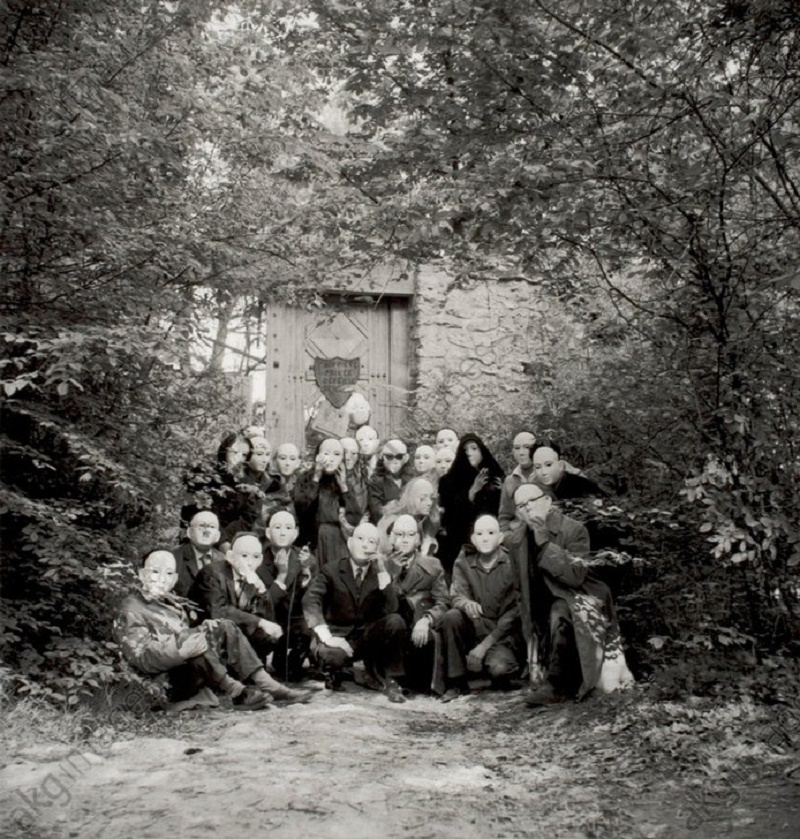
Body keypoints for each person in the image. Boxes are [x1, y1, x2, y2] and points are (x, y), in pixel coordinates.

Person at [114, 550, 309, 710]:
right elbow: (140, 658)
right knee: (192, 637)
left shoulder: (171, 604)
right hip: (160, 683)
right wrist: (180, 651)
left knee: (223, 625)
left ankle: (270, 686)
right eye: (155, 572)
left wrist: (200, 634)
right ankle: (238, 692)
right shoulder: (131, 608)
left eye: (168, 574)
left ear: (174, 579)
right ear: (142, 575)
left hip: (185, 671)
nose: (161, 579)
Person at [508, 484, 633, 707]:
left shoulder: (574, 529)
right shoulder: (516, 540)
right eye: (521, 506)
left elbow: (575, 576)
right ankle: (545, 672)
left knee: (560, 610)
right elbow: (520, 590)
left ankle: (557, 686)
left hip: (578, 596)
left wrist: (545, 543)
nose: (528, 509)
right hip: (541, 601)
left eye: (531, 502)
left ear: (547, 501)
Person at [302, 522, 407, 702]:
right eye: (360, 539)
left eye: (371, 541)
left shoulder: (379, 573)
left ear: (376, 548)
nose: (365, 545)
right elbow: (310, 600)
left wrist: (383, 571)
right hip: (338, 636)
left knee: (396, 620)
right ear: (350, 542)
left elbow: (392, 609)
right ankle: (336, 673)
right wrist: (327, 637)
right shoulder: (331, 570)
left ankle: (391, 679)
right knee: (332, 657)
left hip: (365, 638)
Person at [439, 515, 524, 701]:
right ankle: (456, 682)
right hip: (474, 627)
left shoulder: (512, 563)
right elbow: (456, 595)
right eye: (480, 533)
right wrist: (466, 603)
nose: (485, 538)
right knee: (452, 616)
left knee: (500, 668)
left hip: (502, 634)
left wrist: (485, 646)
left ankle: (494, 673)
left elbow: (517, 610)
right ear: (473, 539)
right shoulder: (464, 561)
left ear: (500, 538)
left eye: (491, 533)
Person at [381, 515, 449, 694]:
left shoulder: (432, 566)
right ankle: (393, 678)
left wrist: (427, 620)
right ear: (392, 538)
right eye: (400, 534)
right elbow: (381, 607)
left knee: (421, 677)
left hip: (420, 631)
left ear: (418, 539)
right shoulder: (381, 566)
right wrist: (393, 574)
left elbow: (443, 602)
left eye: (410, 534)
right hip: (393, 635)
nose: (404, 539)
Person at [259, 511, 318, 682]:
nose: (283, 532)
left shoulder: (305, 559)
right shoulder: (258, 558)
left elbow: (313, 598)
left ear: (296, 533)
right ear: (268, 532)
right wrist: (282, 575)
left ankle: (292, 662)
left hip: (294, 621)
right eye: (277, 527)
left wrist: (306, 572)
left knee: (308, 626)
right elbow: (263, 603)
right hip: (268, 620)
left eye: (288, 528)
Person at [437, 433, 505, 575]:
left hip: (493, 537)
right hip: (463, 541)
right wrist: (472, 492)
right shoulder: (449, 480)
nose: (469, 453)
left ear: (482, 450)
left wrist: (503, 491)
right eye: (465, 450)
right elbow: (449, 515)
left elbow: (505, 509)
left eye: (474, 448)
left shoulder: (495, 474)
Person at [294, 438, 364, 565]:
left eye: (336, 454)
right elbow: (301, 509)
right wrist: (316, 478)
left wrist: (344, 487)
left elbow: (355, 518)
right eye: (326, 453)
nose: (331, 458)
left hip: (337, 542)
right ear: (317, 456)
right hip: (311, 540)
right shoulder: (305, 479)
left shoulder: (345, 483)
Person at [172, 510, 225, 600]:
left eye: (212, 527)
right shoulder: (173, 557)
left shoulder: (225, 561)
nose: (206, 531)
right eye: (201, 526)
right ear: (189, 532)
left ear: (218, 536)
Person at [381, 476, 441, 556]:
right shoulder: (393, 521)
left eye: (431, 498)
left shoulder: (428, 521)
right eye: (423, 498)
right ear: (411, 498)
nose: (429, 503)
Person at [532, 443, 606, 500]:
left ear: (560, 466)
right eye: (538, 467)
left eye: (548, 465)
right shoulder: (539, 487)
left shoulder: (579, 486)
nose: (543, 472)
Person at [498, 431, 537, 532]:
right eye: (517, 448)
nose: (521, 452)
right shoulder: (510, 481)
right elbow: (504, 518)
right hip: (520, 538)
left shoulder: (546, 475)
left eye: (527, 447)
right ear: (513, 451)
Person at [367, 438, 413, 523]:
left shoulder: (410, 480)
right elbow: (377, 512)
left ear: (406, 458)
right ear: (383, 458)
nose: (394, 461)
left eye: (399, 456)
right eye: (389, 457)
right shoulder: (376, 481)